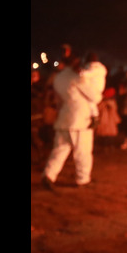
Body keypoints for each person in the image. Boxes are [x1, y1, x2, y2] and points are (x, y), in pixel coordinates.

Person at [42, 54, 101, 189]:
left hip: (63, 118)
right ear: (74, 63)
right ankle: (83, 179)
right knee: (83, 152)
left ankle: (48, 175)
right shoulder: (77, 78)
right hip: (80, 120)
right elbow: (95, 96)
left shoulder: (58, 78)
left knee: (59, 150)